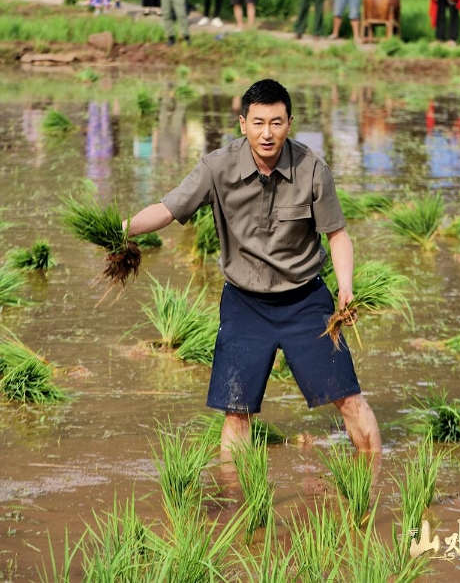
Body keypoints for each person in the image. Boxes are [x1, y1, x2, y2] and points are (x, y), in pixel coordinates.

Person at [124, 78, 382, 461]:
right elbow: (167, 209)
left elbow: (338, 235)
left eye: (276, 122)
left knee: (347, 398)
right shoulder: (216, 167)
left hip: (306, 301)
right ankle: (236, 503)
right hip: (244, 304)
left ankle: (373, 486)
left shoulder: (313, 169)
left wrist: (345, 288)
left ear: (289, 124)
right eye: (258, 122)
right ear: (242, 123)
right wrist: (121, 229)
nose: (267, 133)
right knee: (237, 410)